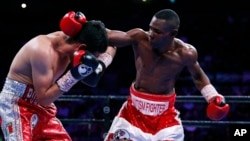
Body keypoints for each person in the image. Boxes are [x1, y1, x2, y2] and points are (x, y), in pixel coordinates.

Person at [104, 9, 230, 141]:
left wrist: (213, 96)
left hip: (164, 119)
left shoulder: (185, 54)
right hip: (132, 112)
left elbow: (198, 77)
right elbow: (109, 36)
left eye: (157, 31)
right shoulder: (140, 38)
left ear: (172, 34)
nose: (151, 34)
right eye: (151, 29)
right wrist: (85, 27)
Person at [0, 11, 116, 141]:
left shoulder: (76, 42)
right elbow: (43, 98)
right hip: (18, 104)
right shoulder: (43, 50)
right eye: (91, 57)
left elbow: (114, 43)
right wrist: (73, 76)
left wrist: (102, 64)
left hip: (43, 107)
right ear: (82, 48)